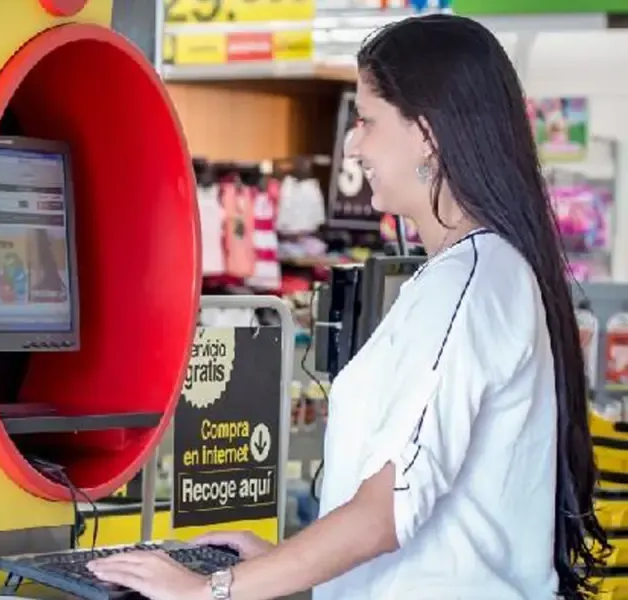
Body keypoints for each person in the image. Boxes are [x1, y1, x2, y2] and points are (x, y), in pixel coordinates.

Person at [87, 14, 608, 600]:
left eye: (367, 121)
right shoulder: (475, 273)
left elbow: (385, 512)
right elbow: (424, 518)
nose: (353, 145)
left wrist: (208, 590)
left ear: (427, 134)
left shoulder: (469, 282)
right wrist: (281, 564)